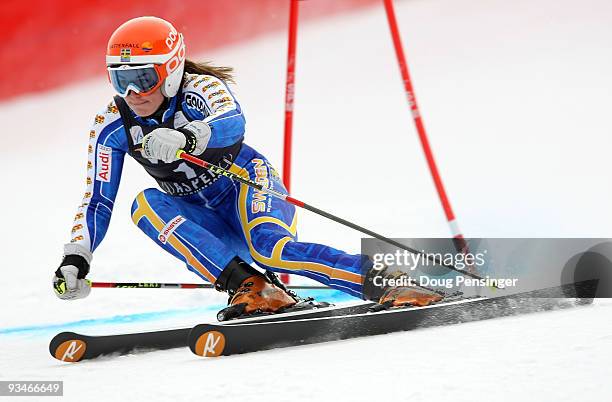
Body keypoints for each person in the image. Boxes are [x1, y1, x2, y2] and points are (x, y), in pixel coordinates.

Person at [52, 16, 441, 319]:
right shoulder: (112, 126)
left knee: (271, 249)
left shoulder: (201, 89)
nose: (132, 94)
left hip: (245, 185)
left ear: (171, 71)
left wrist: (188, 138)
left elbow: (232, 122)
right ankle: (255, 288)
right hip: (203, 218)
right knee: (144, 205)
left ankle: (389, 281)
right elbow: (97, 200)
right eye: (120, 81)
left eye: (143, 79)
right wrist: (76, 258)